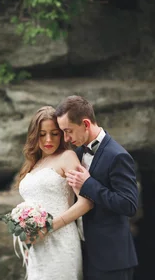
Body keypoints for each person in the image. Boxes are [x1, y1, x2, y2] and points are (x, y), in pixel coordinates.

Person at [56, 95, 139, 280]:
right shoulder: (76, 153)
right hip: (82, 254)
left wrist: (89, 185)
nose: (66, 138)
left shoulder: (118, 156)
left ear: (86, 124)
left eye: (68, 131)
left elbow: (129, 205)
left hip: (112, 260)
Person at [16, 106, 94, 280]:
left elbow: (86, 202)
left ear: (62, 134)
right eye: (42, 134)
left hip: (61, 240)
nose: (48, 139)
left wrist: (48, 228)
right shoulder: (34, 163)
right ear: (34, 136)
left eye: (54, 133)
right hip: (37, 246)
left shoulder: (67, 157)